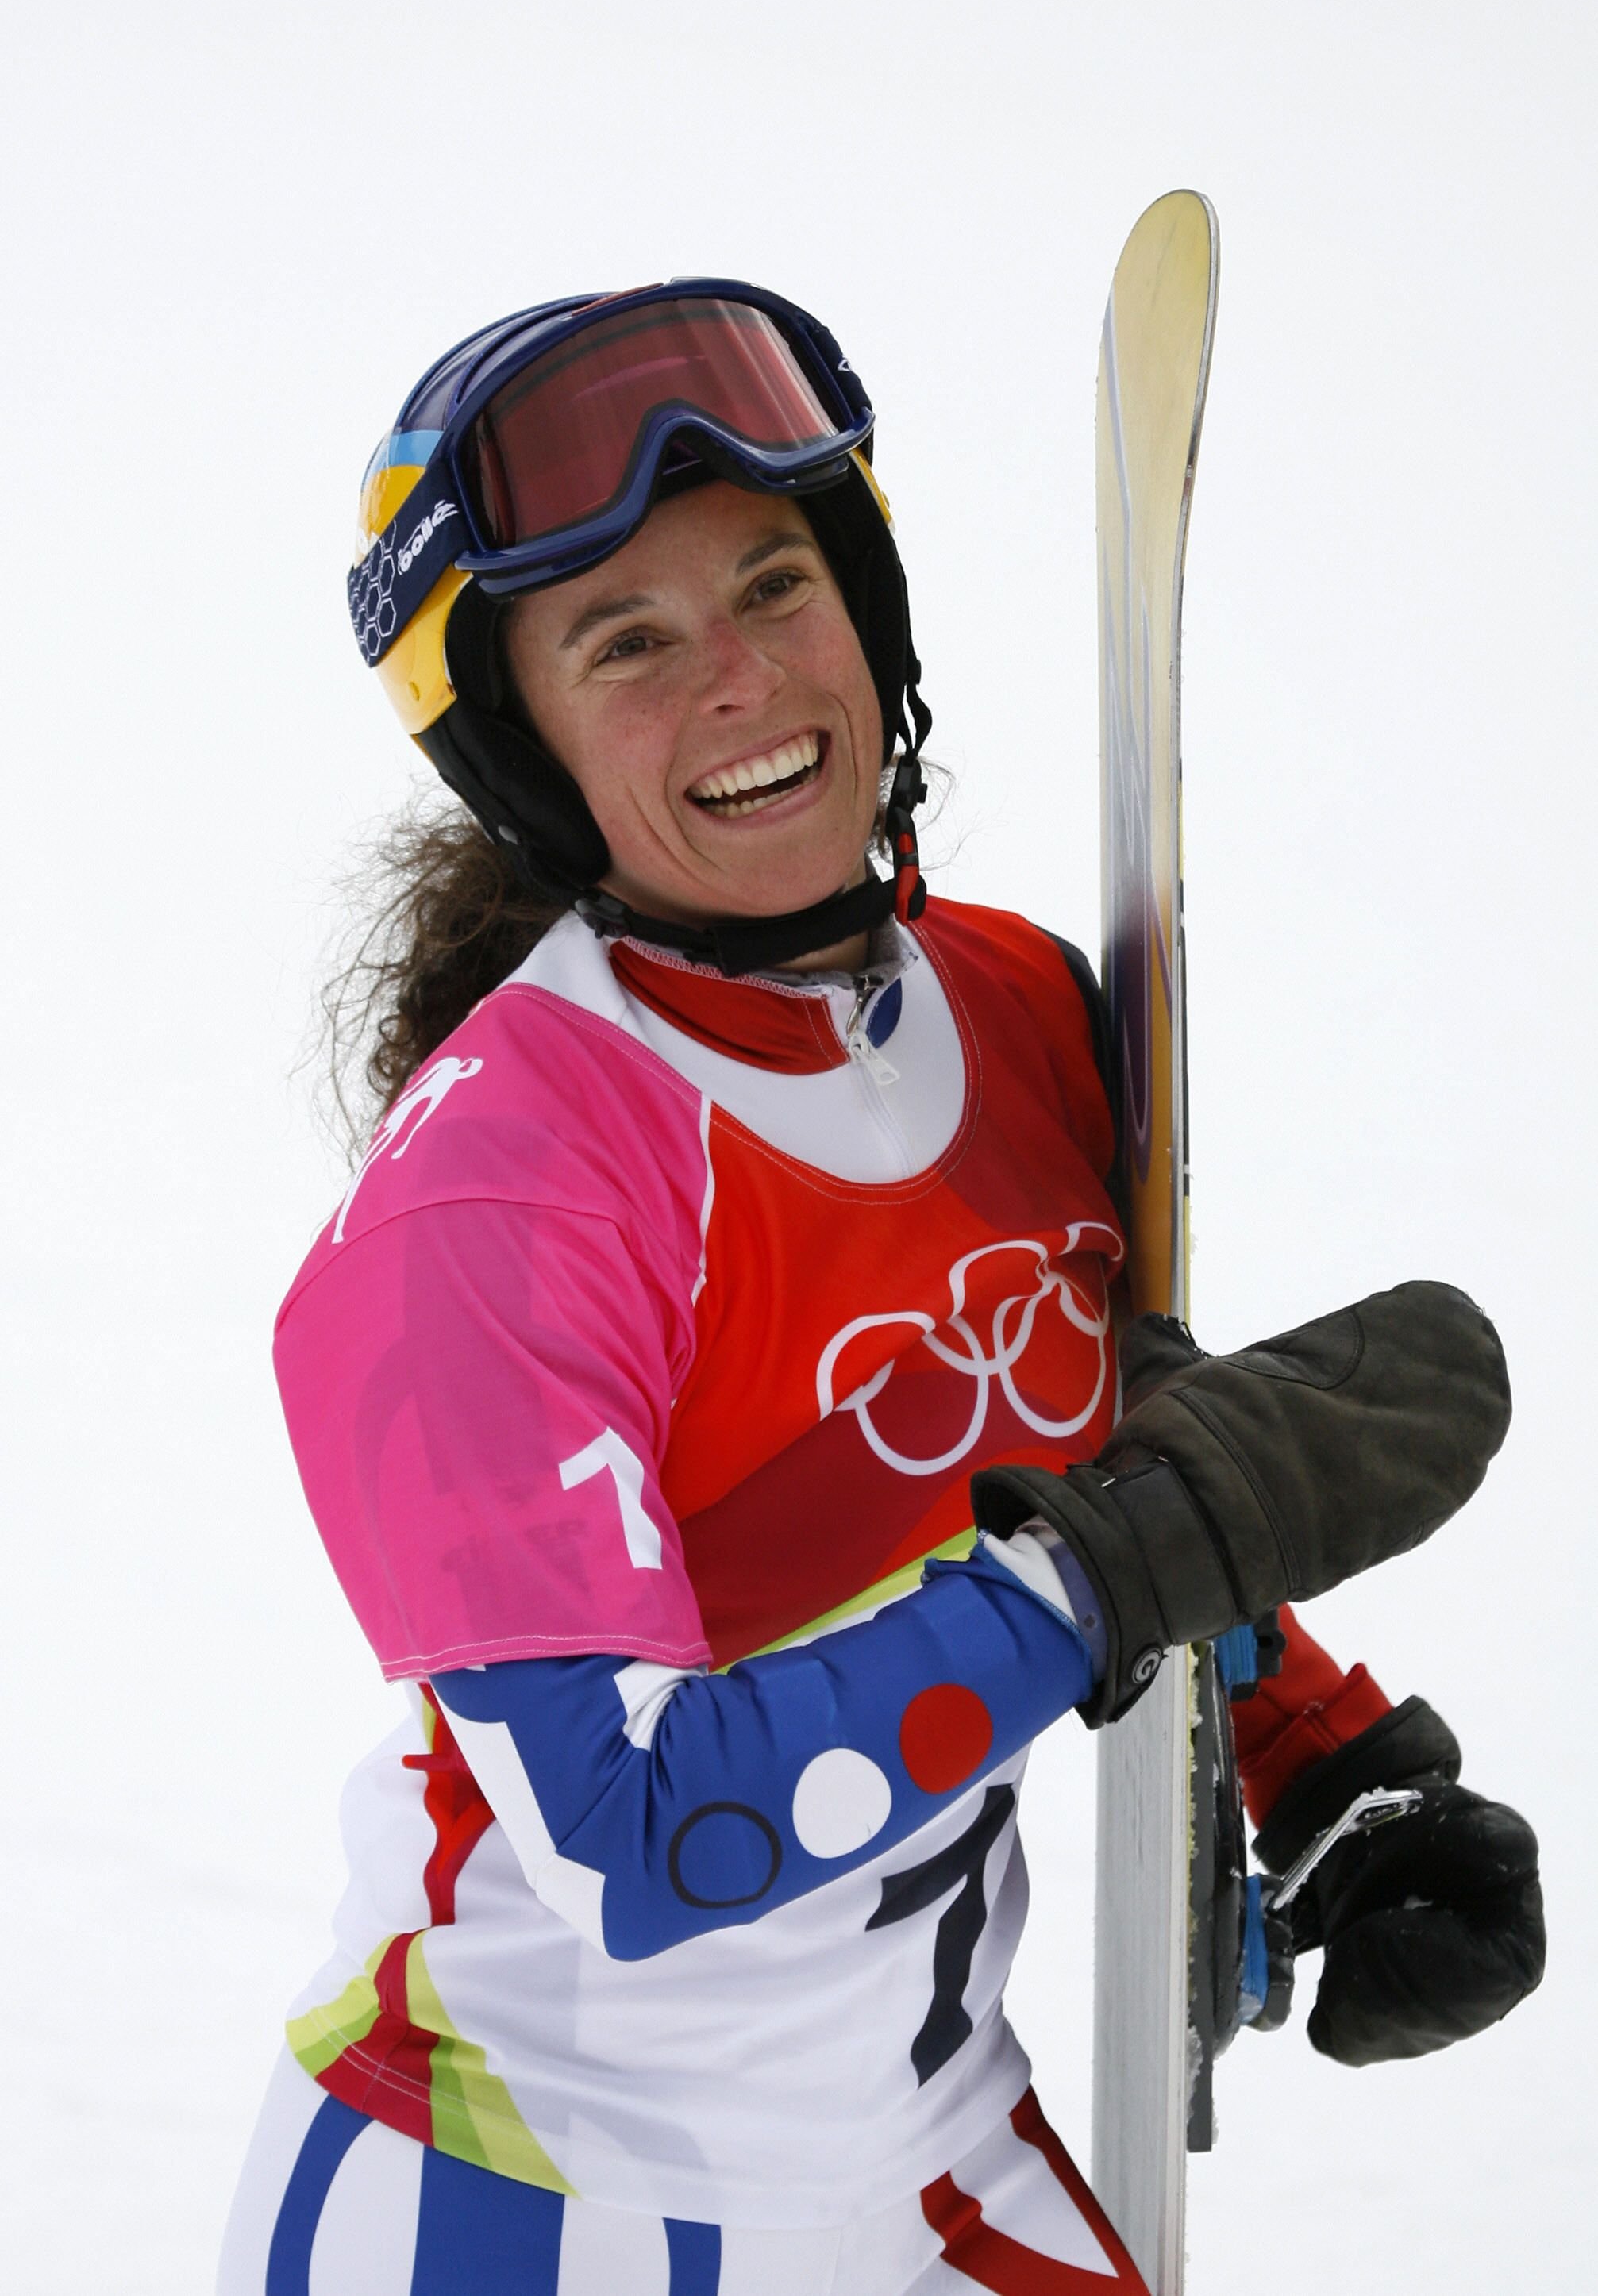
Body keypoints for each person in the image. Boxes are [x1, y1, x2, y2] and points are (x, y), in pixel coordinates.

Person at [218, 283, 1542, 2295]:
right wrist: (1103, 1574)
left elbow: (1083, 1445)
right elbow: (636, 1840)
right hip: (520, 2204)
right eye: (628, 644)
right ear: (532, 750)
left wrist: (1320, 1761)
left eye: (777, 583)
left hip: (925, 2164)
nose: (741, 682)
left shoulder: (1010, 1010)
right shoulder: (491, 1202)